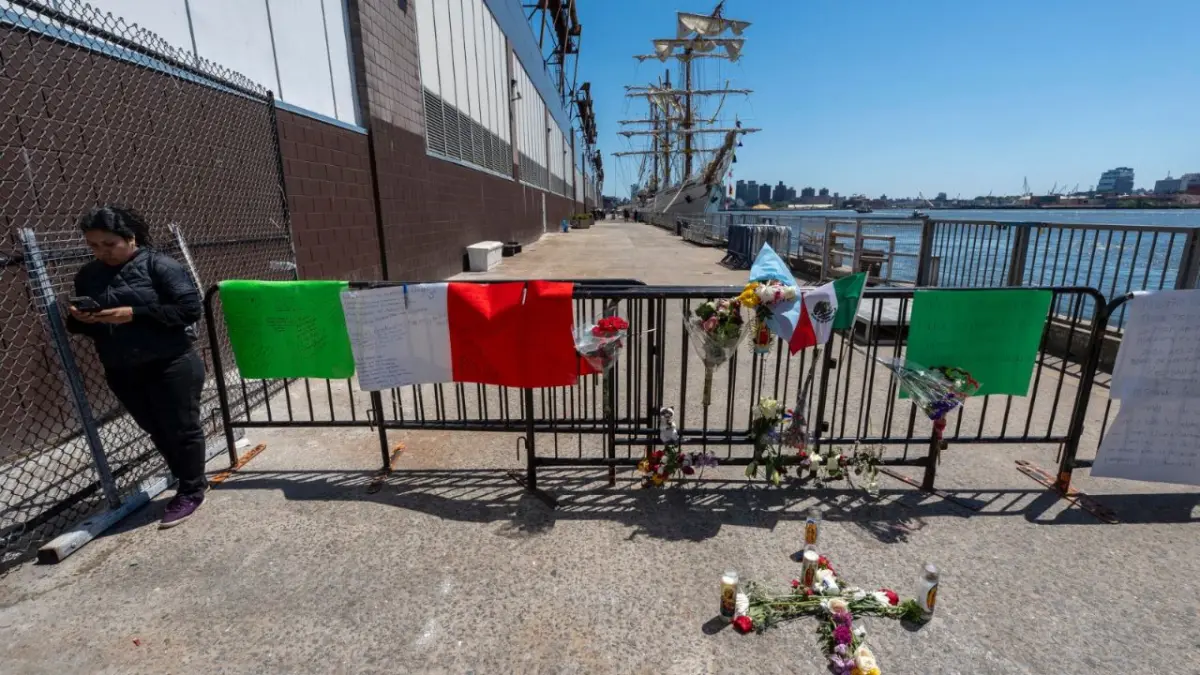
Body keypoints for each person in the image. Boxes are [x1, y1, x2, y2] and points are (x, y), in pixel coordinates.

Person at [67, 206, 208, 529]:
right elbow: (83, 328)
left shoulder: (160, 265)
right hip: (123, 367)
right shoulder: (88, 275)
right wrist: (82, 320)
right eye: (93, 246)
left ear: (130, 238)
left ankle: (191, 490)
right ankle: (187, 477)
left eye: (109, 244)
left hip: (171, 362)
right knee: (156, 428)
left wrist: (135, 313)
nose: (102, 252)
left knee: (181, 428)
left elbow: (189, 310)